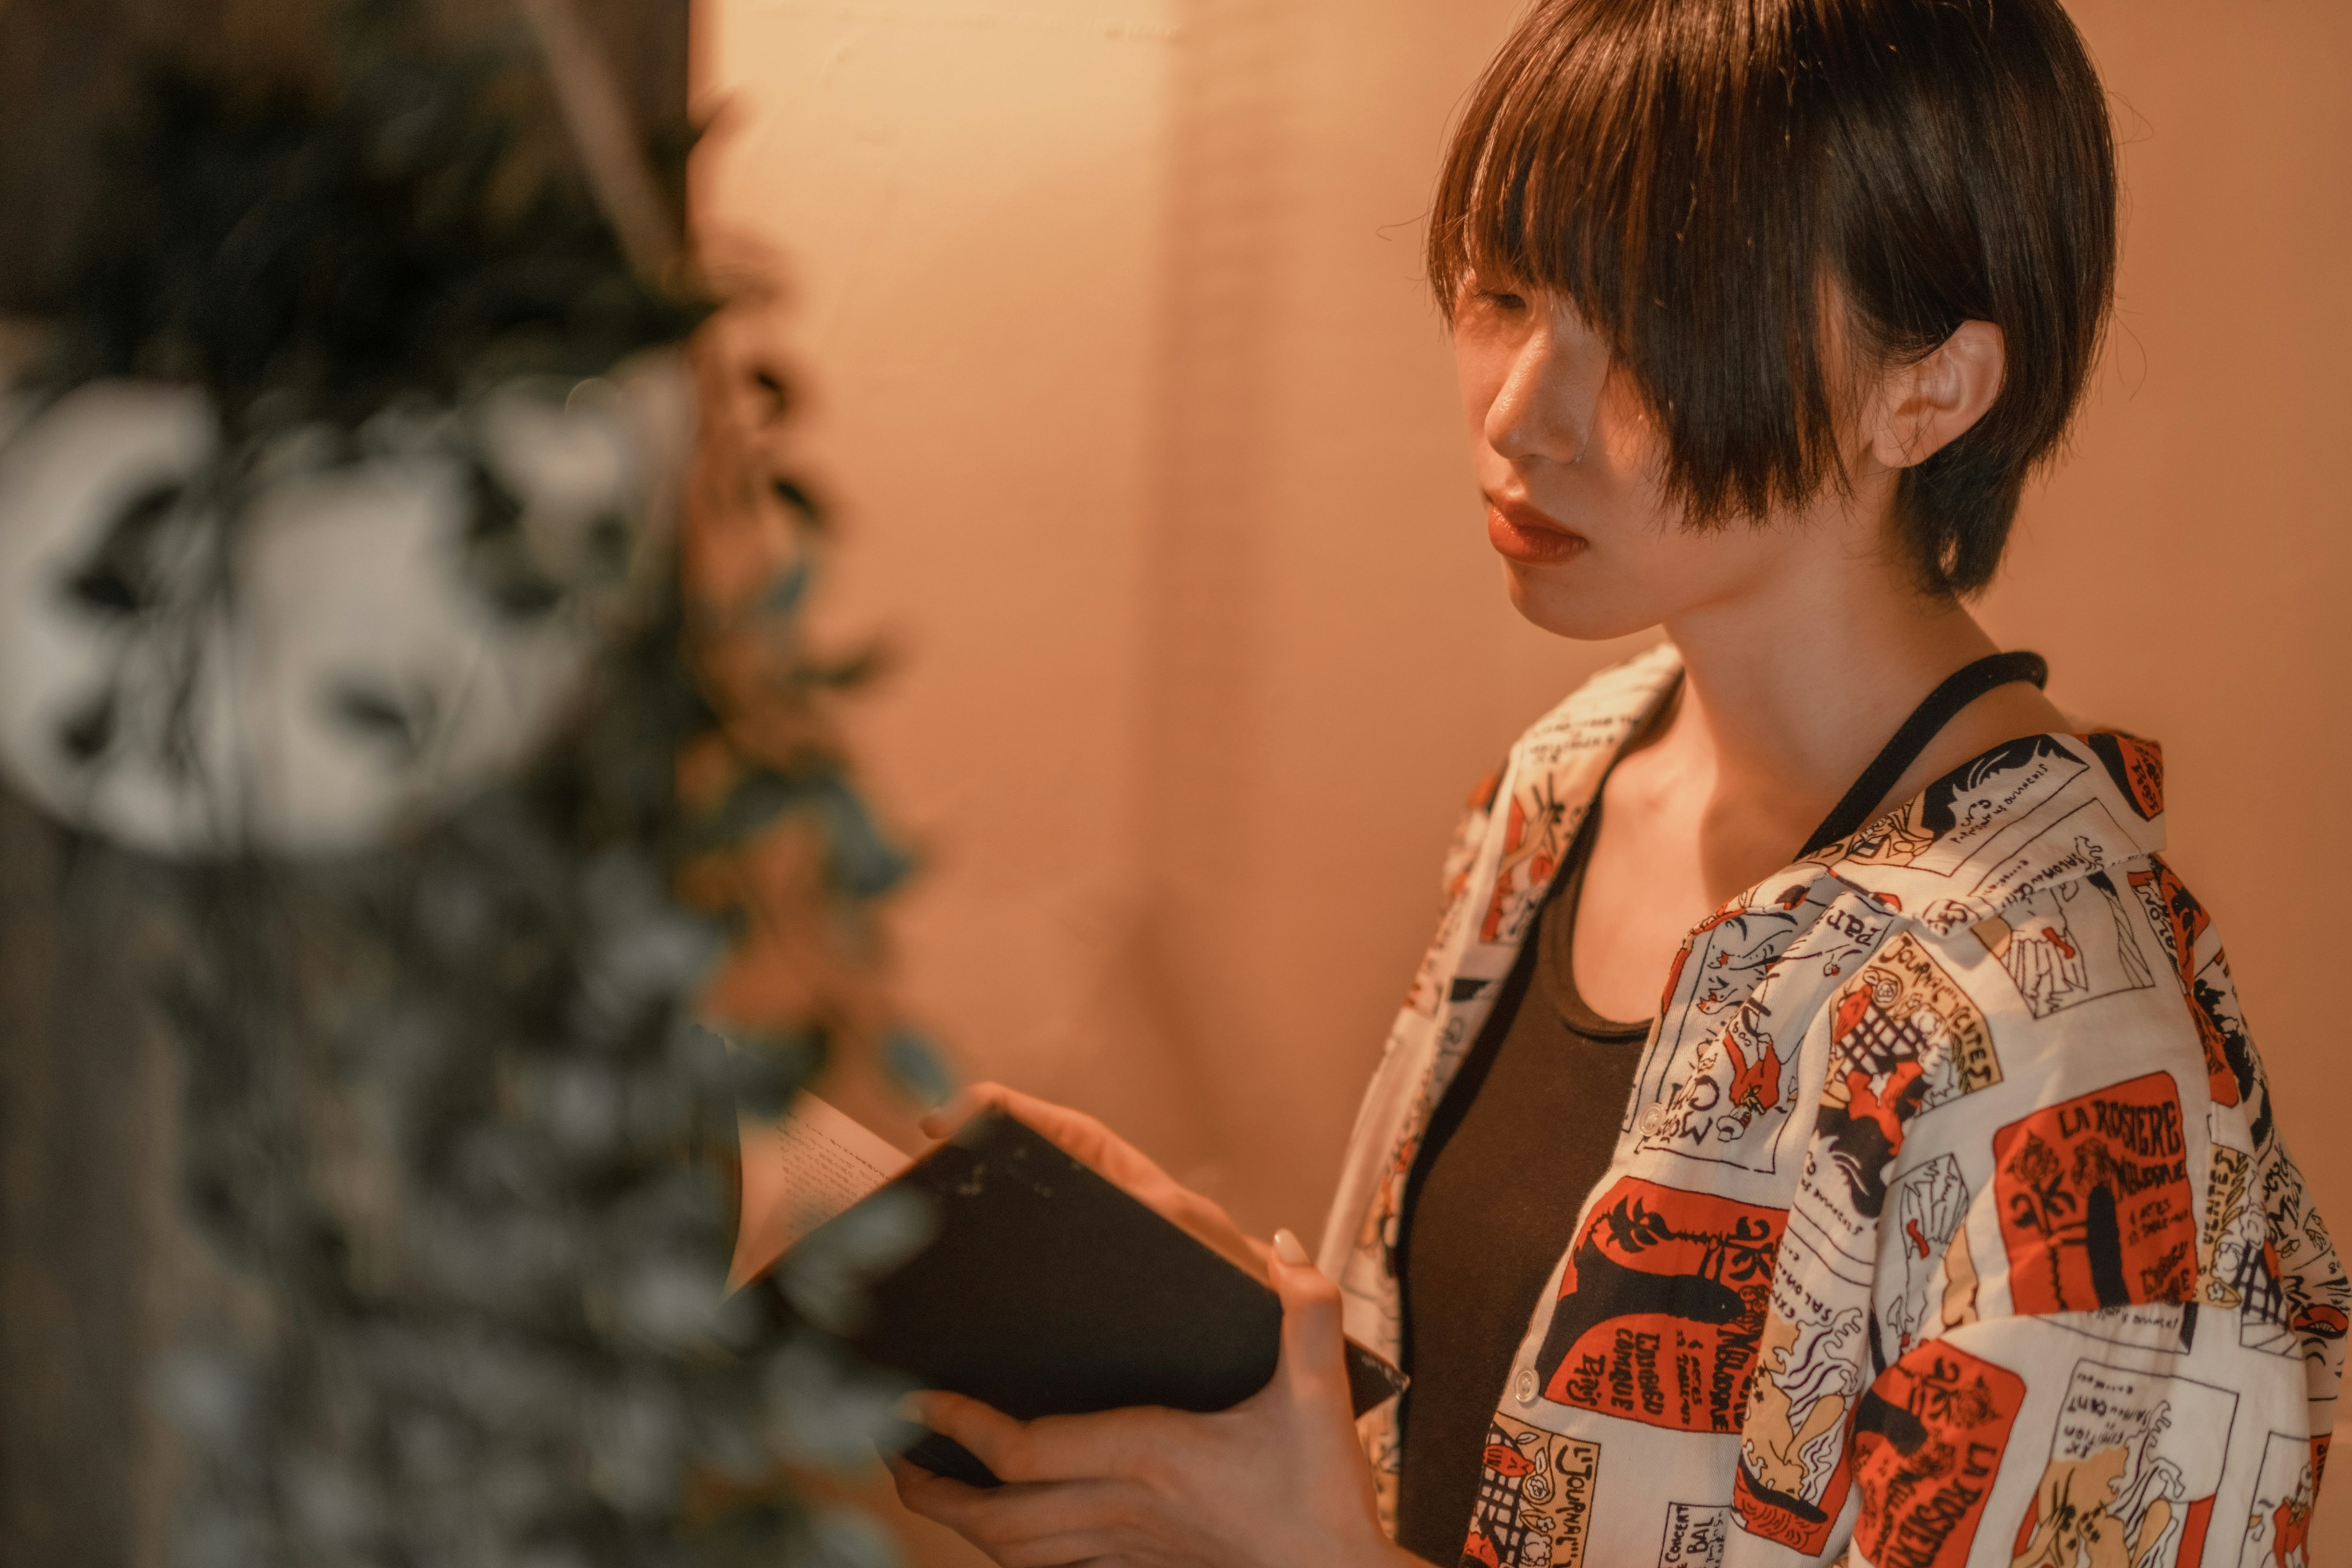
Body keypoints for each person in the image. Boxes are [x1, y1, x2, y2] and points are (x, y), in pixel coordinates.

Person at [890, 1, 2349, 1564]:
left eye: (1651, 326)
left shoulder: (2076, 1046)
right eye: (1501, 290)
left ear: (1928, 389)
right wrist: (1244, 1357)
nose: (1521, 409)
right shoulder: (1572, 780)